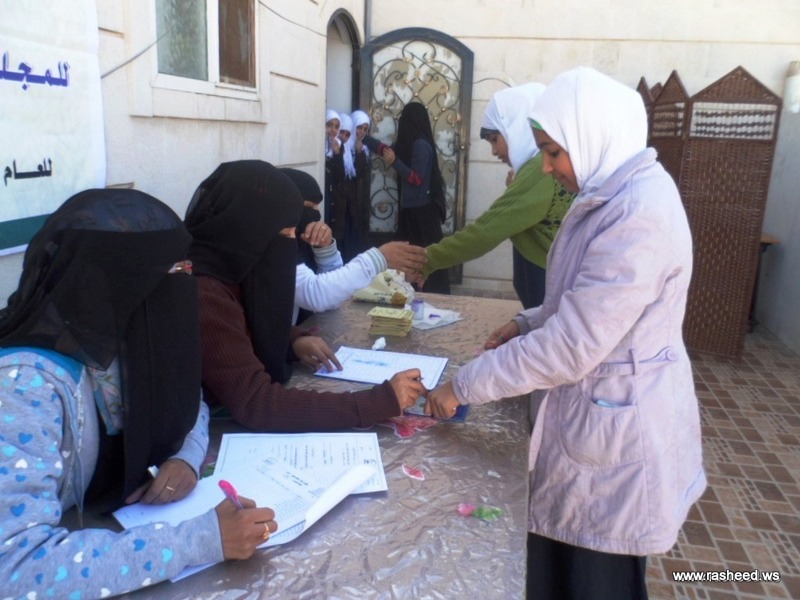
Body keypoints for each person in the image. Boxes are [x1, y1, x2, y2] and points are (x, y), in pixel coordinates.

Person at [425, 67, 706, 599]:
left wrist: (463, 385)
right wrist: (526, 321)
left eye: (554, 153)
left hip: (617, 435)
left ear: (591, 132)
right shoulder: (607, 190)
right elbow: (577, 299)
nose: (549, 168)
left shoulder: (638, 214)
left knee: (595, 575)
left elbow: (571, 346)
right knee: (557, 565)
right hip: (592, 419)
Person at [0, 189, 276, 599]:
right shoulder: (23, 386)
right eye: (171, 272)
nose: (183, 283)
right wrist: (197, 541)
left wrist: (186, 457)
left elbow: (187, 398)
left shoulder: (127, 340)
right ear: (116, 282)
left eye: (185, 268)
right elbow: (15, 567)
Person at [184, 160, 427, 431]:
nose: (291, 241)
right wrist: (377, 402)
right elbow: (256, 403)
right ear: (247, 228)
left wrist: (293, 341)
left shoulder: (228, 271)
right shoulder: (202, 293)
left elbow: (239, 326)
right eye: (284, 232)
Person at [419, 83, 574, 308]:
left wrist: (427, 260)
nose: (494, 151)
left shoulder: (538, 170)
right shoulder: (535, 170)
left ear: (515, 127)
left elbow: (488, 230)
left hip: (549, 286)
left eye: (494, 139)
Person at [281, 168, 428, 325]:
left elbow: (332, 299)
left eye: (317, 207)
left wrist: (325, 249)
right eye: (309, 208)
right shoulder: (278, 242)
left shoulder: (300, 240)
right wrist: (380, 258)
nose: (317, 215)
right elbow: (315, 295)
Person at [365, 102, 450, 294]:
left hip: (422, 214)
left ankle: (431, 294)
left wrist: (395, 162)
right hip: (412, 211)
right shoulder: (410, 143)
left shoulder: (420, 145)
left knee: (423, 256)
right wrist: (364, 139)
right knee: (409, 256)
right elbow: (386, 150)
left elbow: (417, 178)